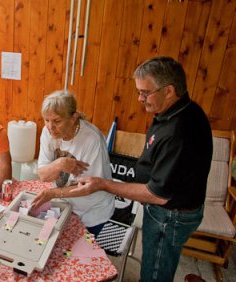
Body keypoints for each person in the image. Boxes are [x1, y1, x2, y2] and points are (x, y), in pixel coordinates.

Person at [71, 56, 213, 281]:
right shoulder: (175, 110)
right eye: (139, 91)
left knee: (155, 273)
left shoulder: (180, 132)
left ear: (169, 90)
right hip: (169, 209)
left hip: (169, 216)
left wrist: (103, 184)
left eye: (145, 93)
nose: (139, 98)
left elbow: (157, 195)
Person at [31, 90, 115, 237]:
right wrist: (60, 164)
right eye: (46, 120)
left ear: (73, 118)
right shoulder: (47, 132)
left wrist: (53, 193)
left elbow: (92, 186)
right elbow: (44, 175)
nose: (50, 127)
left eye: (57, 121)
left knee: (79, 252)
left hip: (91, 211)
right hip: (65, 205)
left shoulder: (92, 139)